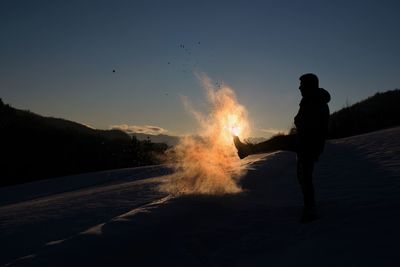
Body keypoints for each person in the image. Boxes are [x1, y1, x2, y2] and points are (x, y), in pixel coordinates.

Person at [234, 73, 330, 222]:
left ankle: (246, 150)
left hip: (308, 142)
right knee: (303, 176)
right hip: (308, 142)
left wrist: (308, 140)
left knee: (280, 145)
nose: (299, 87)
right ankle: (310, 209)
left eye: (302, 84)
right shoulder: (312, 100)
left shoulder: (315, 101)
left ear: (309, 85)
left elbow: (311, 125)